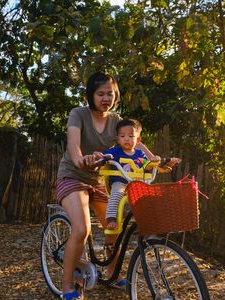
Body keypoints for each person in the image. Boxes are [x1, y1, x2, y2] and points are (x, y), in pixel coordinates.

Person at [56, 72, 178, 300]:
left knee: (115, 226)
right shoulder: (78, 114)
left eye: (110, 94)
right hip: (73, 177)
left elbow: (134, 143)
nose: (105, 98)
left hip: (99, 181)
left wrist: (156, 162)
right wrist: (80, 159)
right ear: (91, 95)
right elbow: (73, 146)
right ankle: (67, 285)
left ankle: (111, 273)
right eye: (100, 93)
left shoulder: (115, 120)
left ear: (116, 95)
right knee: (82, 229)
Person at [99, 118, 148, 230]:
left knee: (146, 196)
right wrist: (100, 156)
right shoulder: (115, 151)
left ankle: (145, 219)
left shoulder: (140, 154)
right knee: (116, 195)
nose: (126, 139)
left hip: (135, 183)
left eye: (131, 136)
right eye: (122, 136)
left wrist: (152, 163)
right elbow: (103, 156)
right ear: (118, 139)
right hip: (119, 182)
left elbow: (146, 164)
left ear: (138, 139)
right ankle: (111, 218)